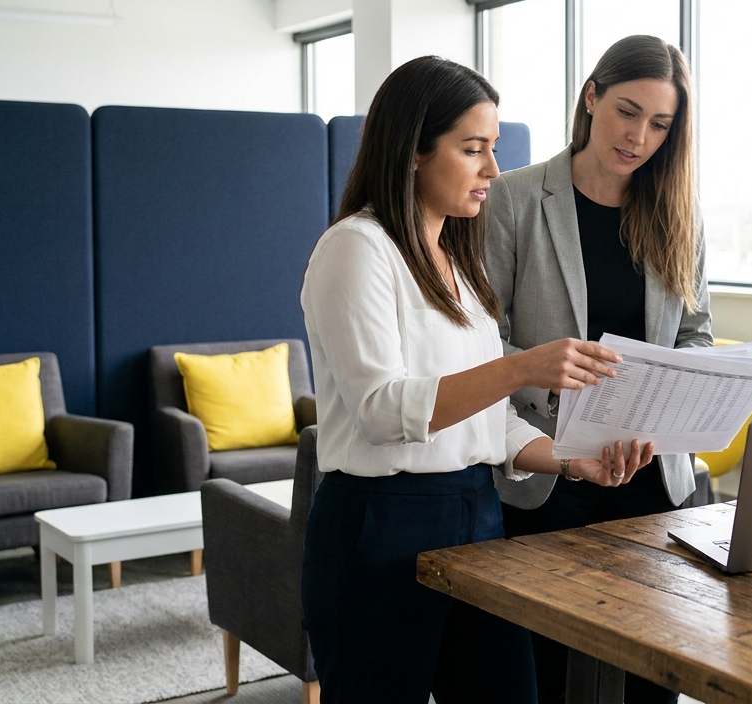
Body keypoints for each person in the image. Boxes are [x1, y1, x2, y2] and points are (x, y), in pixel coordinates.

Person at [299, 56, 655, 704]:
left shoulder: (458, 265)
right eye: (473, 149)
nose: (492, 169)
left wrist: (576, 462)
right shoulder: (356, 248)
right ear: (412, 150)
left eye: (492, 148)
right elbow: (382, 411)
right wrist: (521, 366)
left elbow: (488, 423)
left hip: (477, 515)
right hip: (381, 524)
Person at [484, 34, 710, 704]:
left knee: (652, 680)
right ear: (592, 97)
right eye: (627, 111)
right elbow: (480, 344)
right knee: (552, 680)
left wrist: (670, 393)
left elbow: (694, 335)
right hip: (549, 479)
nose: (639, 136)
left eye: (660, 124)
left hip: (653, 482)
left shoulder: (678, 213)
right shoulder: (514, 200)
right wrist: (543, 374)